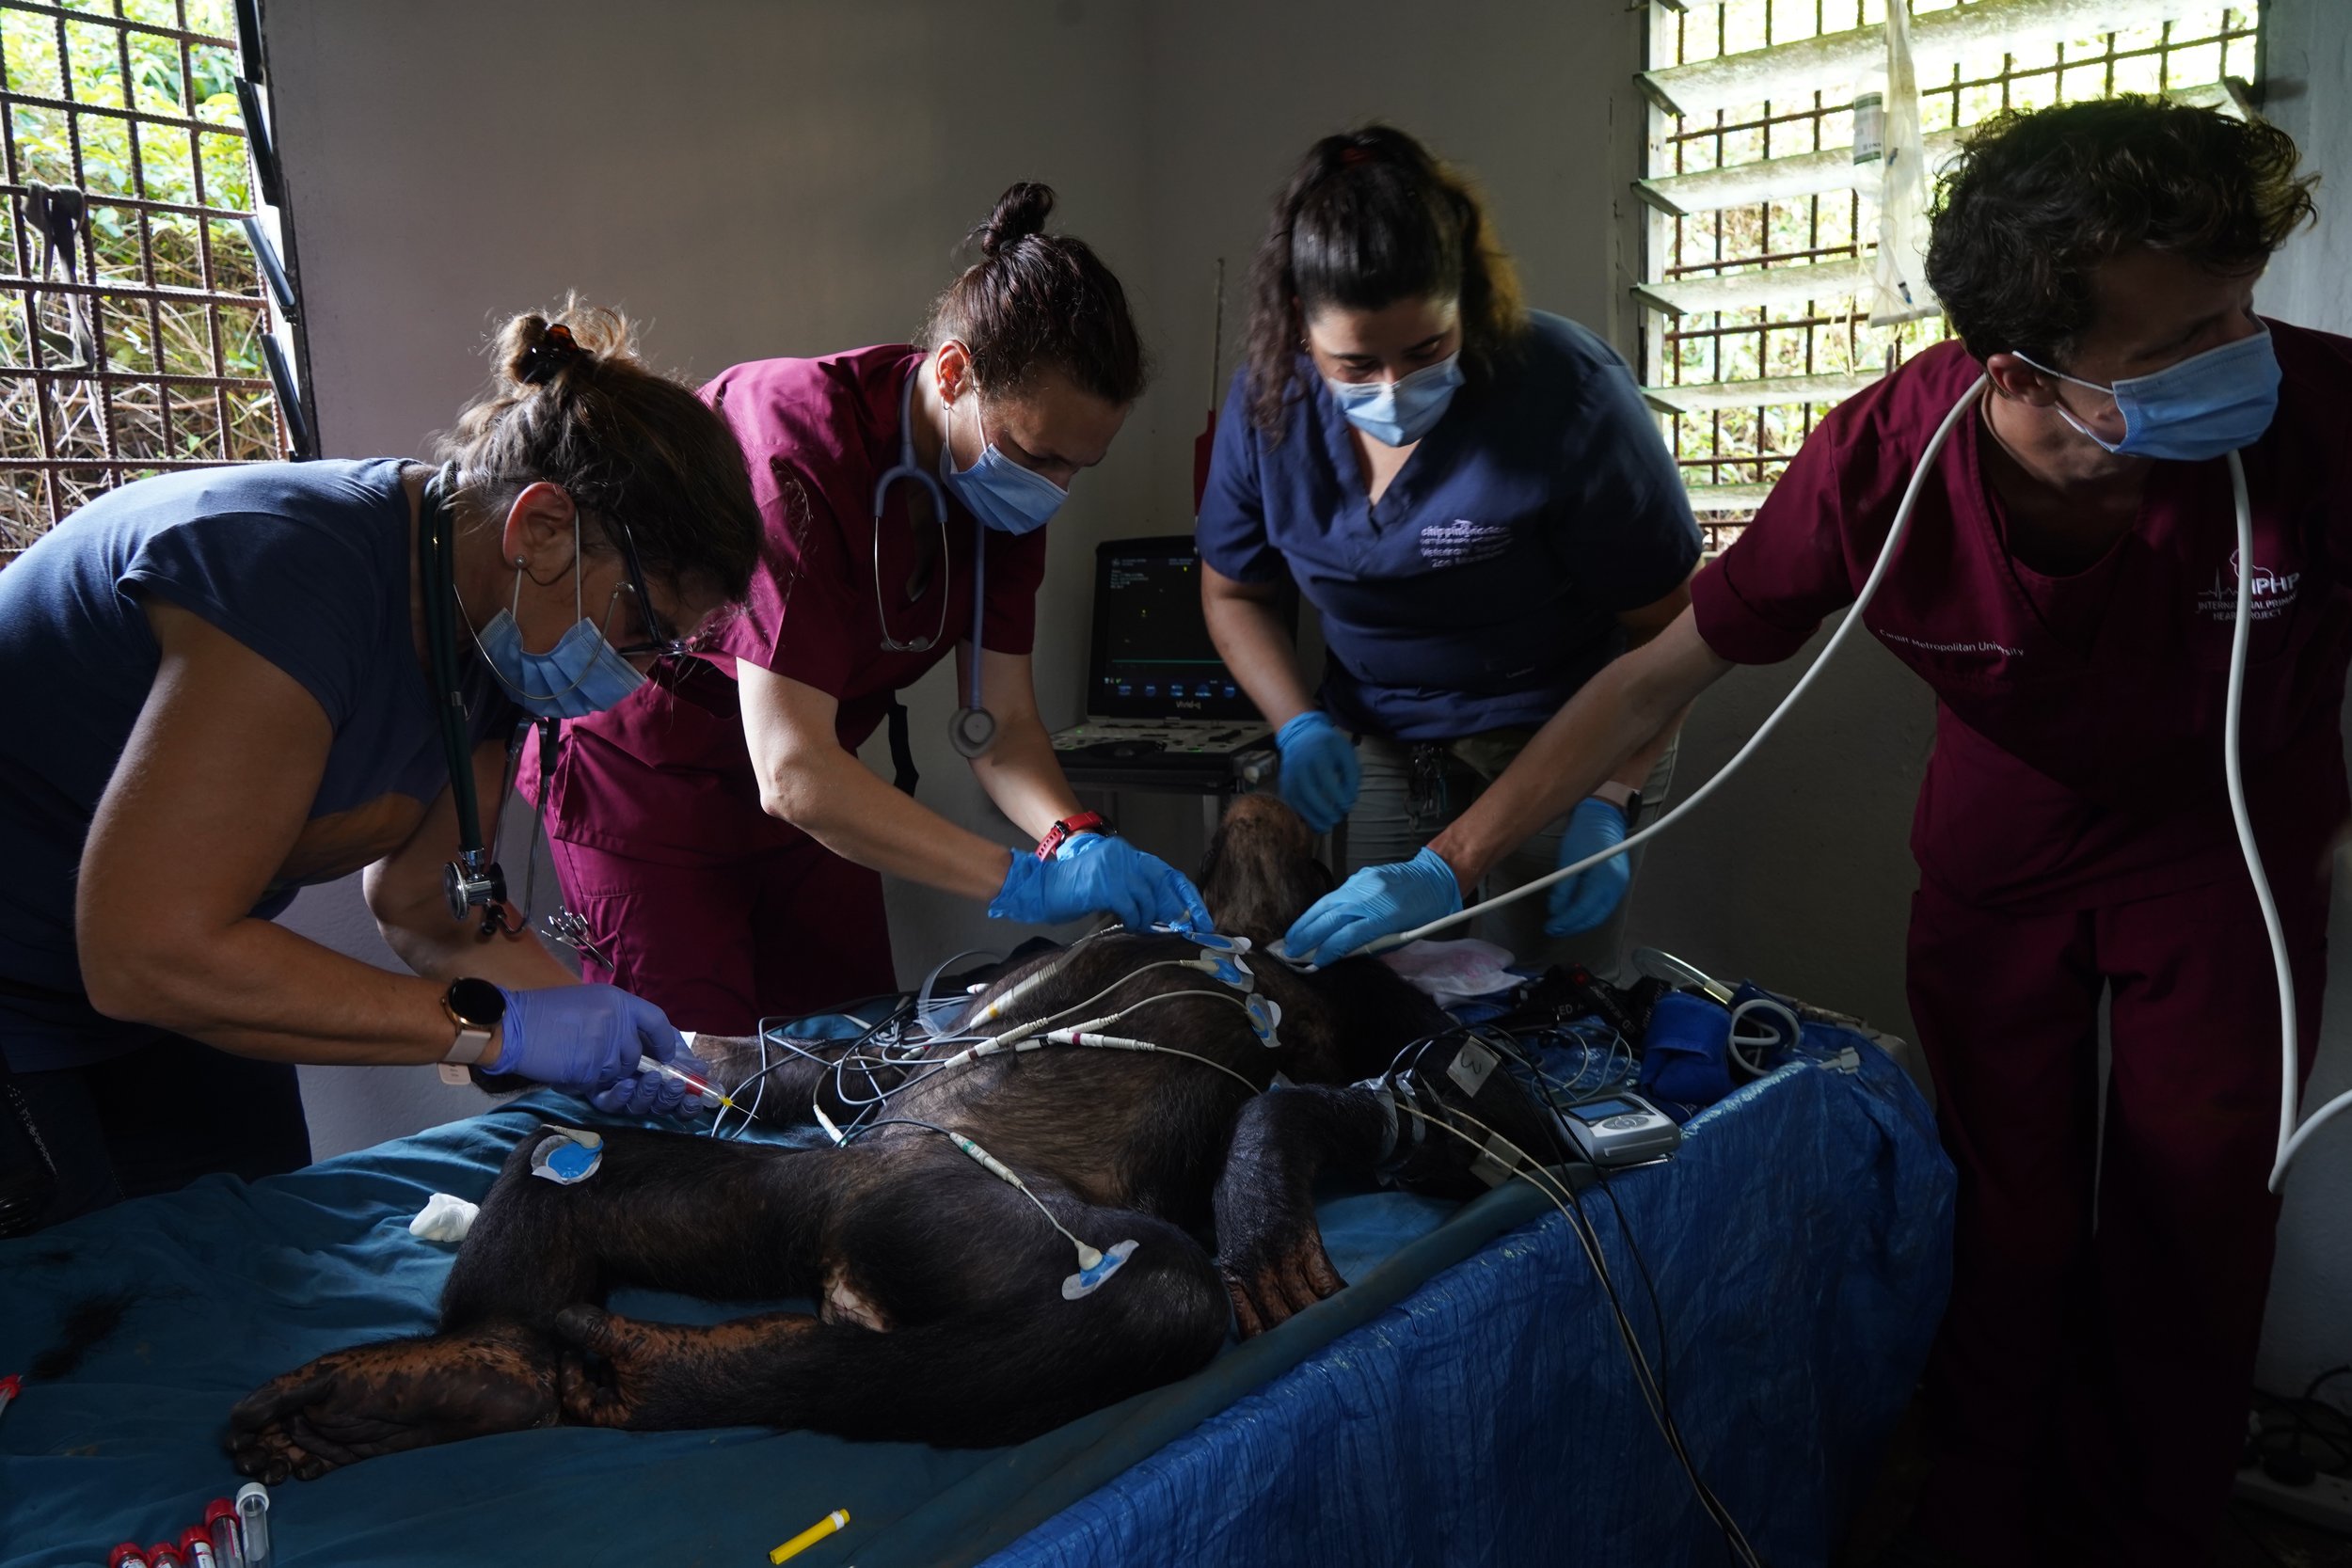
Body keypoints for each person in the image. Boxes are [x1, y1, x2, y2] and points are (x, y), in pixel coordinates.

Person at [1369, 100, 2339, 1566]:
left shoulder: (2317, 419)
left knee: (2192, 1231)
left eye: (2242, 310)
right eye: (2182, 343)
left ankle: (2149, 1529)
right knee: (2004, 1219)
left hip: (2230, 873)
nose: (2241, 357)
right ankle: (1979, 1509)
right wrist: (1450, 861)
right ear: (2018, 369)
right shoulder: (1887, 462)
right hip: (2002, 872)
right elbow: (1654, 671)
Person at [0, 305, 762, 1231]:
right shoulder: (291, 576)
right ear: (542, 528)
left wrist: (606, 1034)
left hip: (146, 995)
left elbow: (427, 902)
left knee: (239, 1254)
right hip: (44, 986)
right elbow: (148, 951)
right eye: (641, 628)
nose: (633, 678)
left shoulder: (491, 632)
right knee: (65, 1318)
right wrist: (497, 1030)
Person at [519, 184, 1208, 1036]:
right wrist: (1019, 879)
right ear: (954, 373)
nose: (1054, 489)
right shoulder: (795, 451)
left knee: (857, 1061)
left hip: (817, 790)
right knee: (694, 1084)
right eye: (1041, 455)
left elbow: (1003, 726)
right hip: (651, 787)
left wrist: (1076, 838)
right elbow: (794, 773)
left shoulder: (999, 495)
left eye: (1079, 467)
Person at [1196, 126, 1699, 975]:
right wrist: (1301, 721)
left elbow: (1673, 632)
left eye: (1427, 350)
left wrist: (1613, 792)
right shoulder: (1266, 407)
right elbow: (1233, 592)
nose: (1393, 389)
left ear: (1465, 300)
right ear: (1297, 330)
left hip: (1571, 726)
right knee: (1380, 978)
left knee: (1553, 996)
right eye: (1355, 364)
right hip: (1391, 733)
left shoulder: (1566, 395)